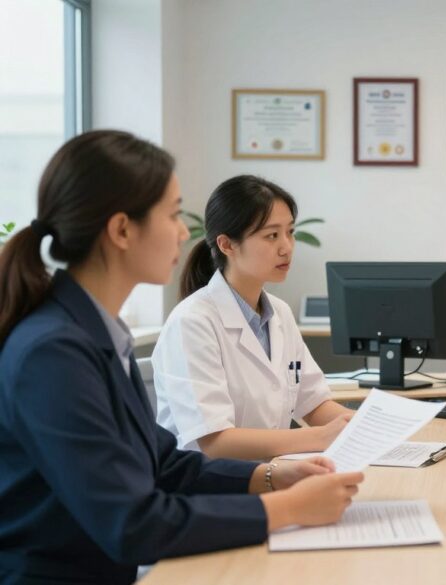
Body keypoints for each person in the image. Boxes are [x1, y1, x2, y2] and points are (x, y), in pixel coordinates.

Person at [0, 131, 363, 584]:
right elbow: (132, 523)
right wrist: (285, 507)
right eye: (172, 214)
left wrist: (271, 479)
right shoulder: (52, 353)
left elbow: (166, 463)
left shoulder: (94, 332)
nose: (185, 231)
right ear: (121, 230)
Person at [153, 175, 353, 460]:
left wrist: (364, 427)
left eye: (290, 232)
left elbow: (314, 403)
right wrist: (319, 437)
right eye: (272, 235)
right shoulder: (192, 322)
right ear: (227, 245)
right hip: (209, 487)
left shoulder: (279, 313)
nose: (287, 247)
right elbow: (215, 442)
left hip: (272, 475)